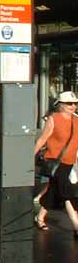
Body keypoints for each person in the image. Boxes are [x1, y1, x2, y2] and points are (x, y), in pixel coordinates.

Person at [33, 91, 78, 237]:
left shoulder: (77, 120)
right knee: (67, 192)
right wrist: (29, 157)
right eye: (69, 103)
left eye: (75, 103)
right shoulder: (53, 119)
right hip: (55, 161)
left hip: (69, 162)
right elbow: (42, 140)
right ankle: (76, 225)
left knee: (53, 191)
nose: (72, 106)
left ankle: (39, 217)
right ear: (60, 105)